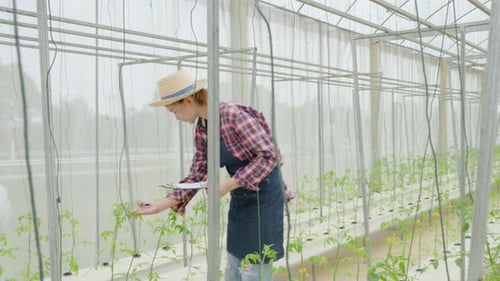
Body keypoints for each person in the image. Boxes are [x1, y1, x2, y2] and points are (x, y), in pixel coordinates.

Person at [137, 69, 293, 281]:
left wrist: (228, 184)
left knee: (254, 268)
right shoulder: (203, 127)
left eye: (174, 111)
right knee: (234, 264)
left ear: (188, 100)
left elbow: (269, 156)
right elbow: (197, 173)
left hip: (265, 197)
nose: (177, 118)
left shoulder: (232, 116)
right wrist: (159, 206)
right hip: (242, 197)